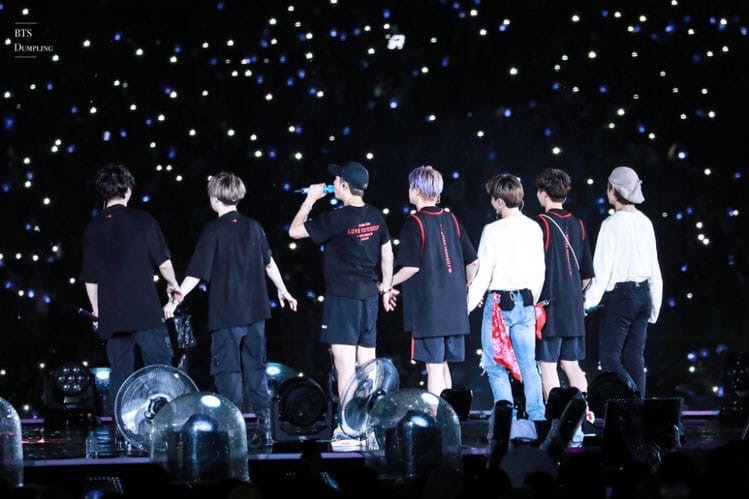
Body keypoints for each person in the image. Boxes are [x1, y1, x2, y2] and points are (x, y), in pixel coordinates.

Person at [163, 172, 297, 447]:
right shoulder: (254, 226)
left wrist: (175, 300)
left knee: (228, 375)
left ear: (214, 198)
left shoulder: (214, 230)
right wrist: (283, 290)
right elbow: (269, 263)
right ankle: (265, 430)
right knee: (257, 371)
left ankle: (232, 432)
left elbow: (196, 273)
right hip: (256, 313)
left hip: (226, 315)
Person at [288, 162, 393, 429]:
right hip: (369, 298)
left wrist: (310, 199)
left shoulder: (337, 218)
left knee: (345, 366)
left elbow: (294, 231)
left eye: (336, 180)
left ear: (345, 185)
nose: (333, 182)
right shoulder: (376, 215)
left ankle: (350, 425)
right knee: (368, 365)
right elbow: (387, 253)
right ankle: (370, 424)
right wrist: (386, 286)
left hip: (343, 299)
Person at [81, 164, 178, 413]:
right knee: (160, 366)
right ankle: (163, 420)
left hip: (112, 311)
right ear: (128, 190)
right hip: (145, 308)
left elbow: (90, 278)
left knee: (120, 371)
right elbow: (164, 263)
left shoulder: (92, 227)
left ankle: (121, 425)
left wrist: (97, 310)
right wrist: (173, 284)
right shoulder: (143, 220)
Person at [389, 166, 479, 396]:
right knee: (443, 364)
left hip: (430, 308)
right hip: (455, 308)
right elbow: (473, 262)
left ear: (417, 190)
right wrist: (468, 287)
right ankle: (450, 413)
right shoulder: (451, 218)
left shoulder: (415, 222)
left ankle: (438, 416)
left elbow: (411, 267)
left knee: (434, 368)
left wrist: (387, 284)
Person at [467, 173, 546, 422]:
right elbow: (539, 270)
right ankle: (537, 418)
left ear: (500, 201)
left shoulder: (492, 230)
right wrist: (532, 300)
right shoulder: (533, 227)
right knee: (528, 364)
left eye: (493, 198)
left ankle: (506, 420)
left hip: (499, 305)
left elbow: (483, 274)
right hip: (526, 301)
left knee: (494, 365)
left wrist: (467, 306)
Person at [584, 166, 662, 397]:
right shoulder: (645, 222)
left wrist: (587, 303)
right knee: (634, 358)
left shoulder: (611, 224)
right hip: (643, 296)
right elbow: (654, 268)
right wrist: (654, 306)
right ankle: (638, 409)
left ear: (613, 190)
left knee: (610, 359)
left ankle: (632, 401)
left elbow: (602, 270)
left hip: (621, 298)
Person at [534, 168, 594, 400]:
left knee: (548, 364)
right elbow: (587, 276)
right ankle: (581, 413)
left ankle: (555, 415)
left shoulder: (541, 223)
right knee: (572, 364)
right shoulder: (578, 224)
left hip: (551, 305)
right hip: (575, 306)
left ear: (543, 193)